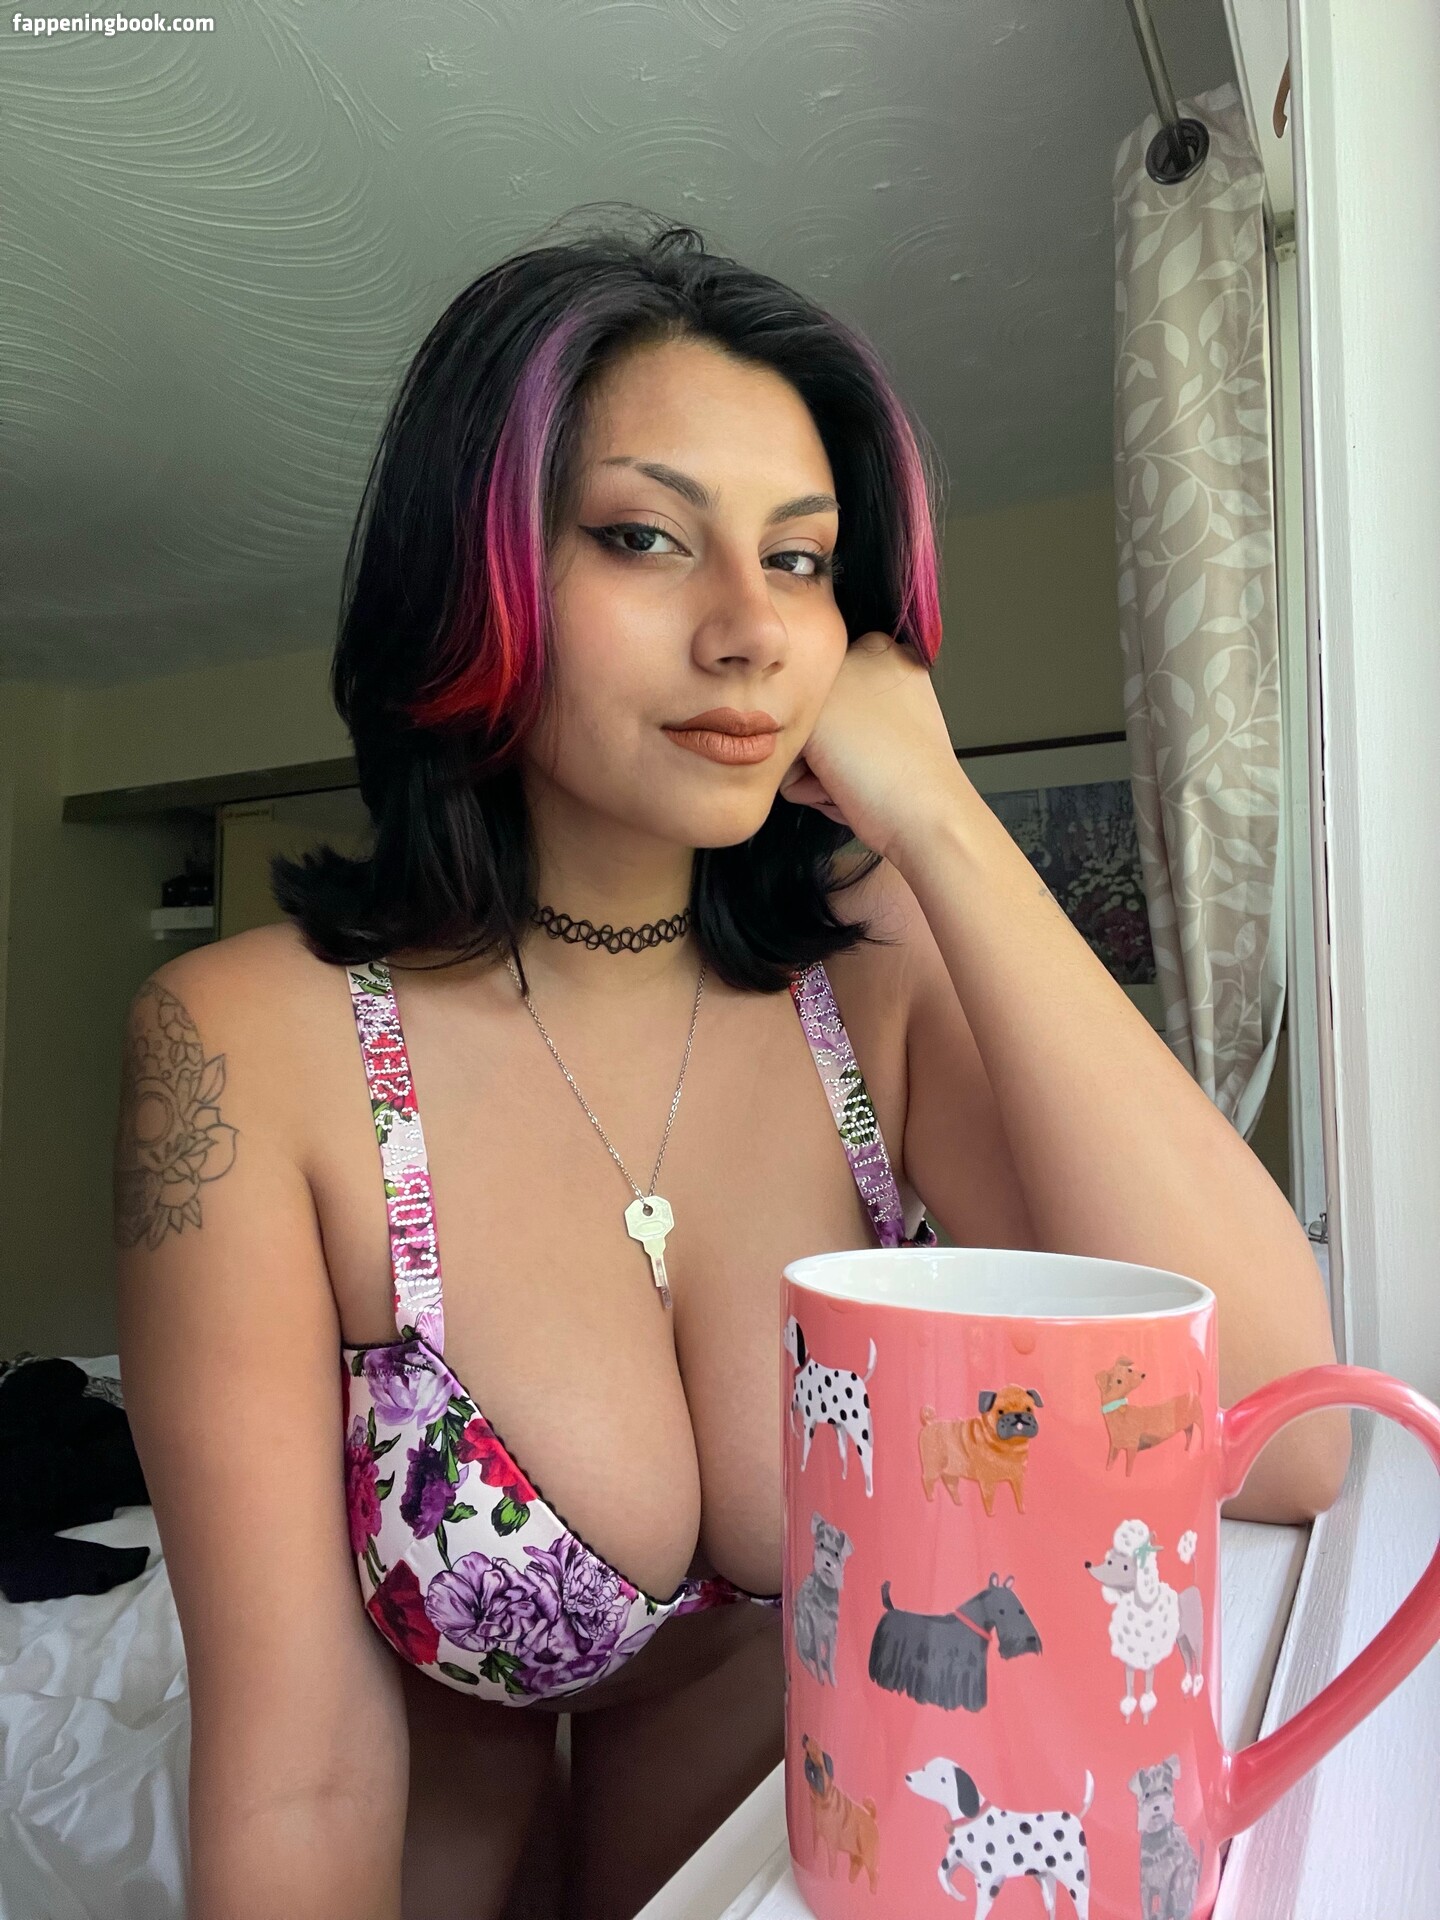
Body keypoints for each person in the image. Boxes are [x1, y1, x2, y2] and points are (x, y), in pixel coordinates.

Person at [112, 210, 1349, 1920]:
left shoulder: (874, 982)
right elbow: (299, 1767)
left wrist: (939, 819)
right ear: (471, 571)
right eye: (644, 537)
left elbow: (1282, 1445)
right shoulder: (250, 1046)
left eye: (802, 559)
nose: (752, 631)